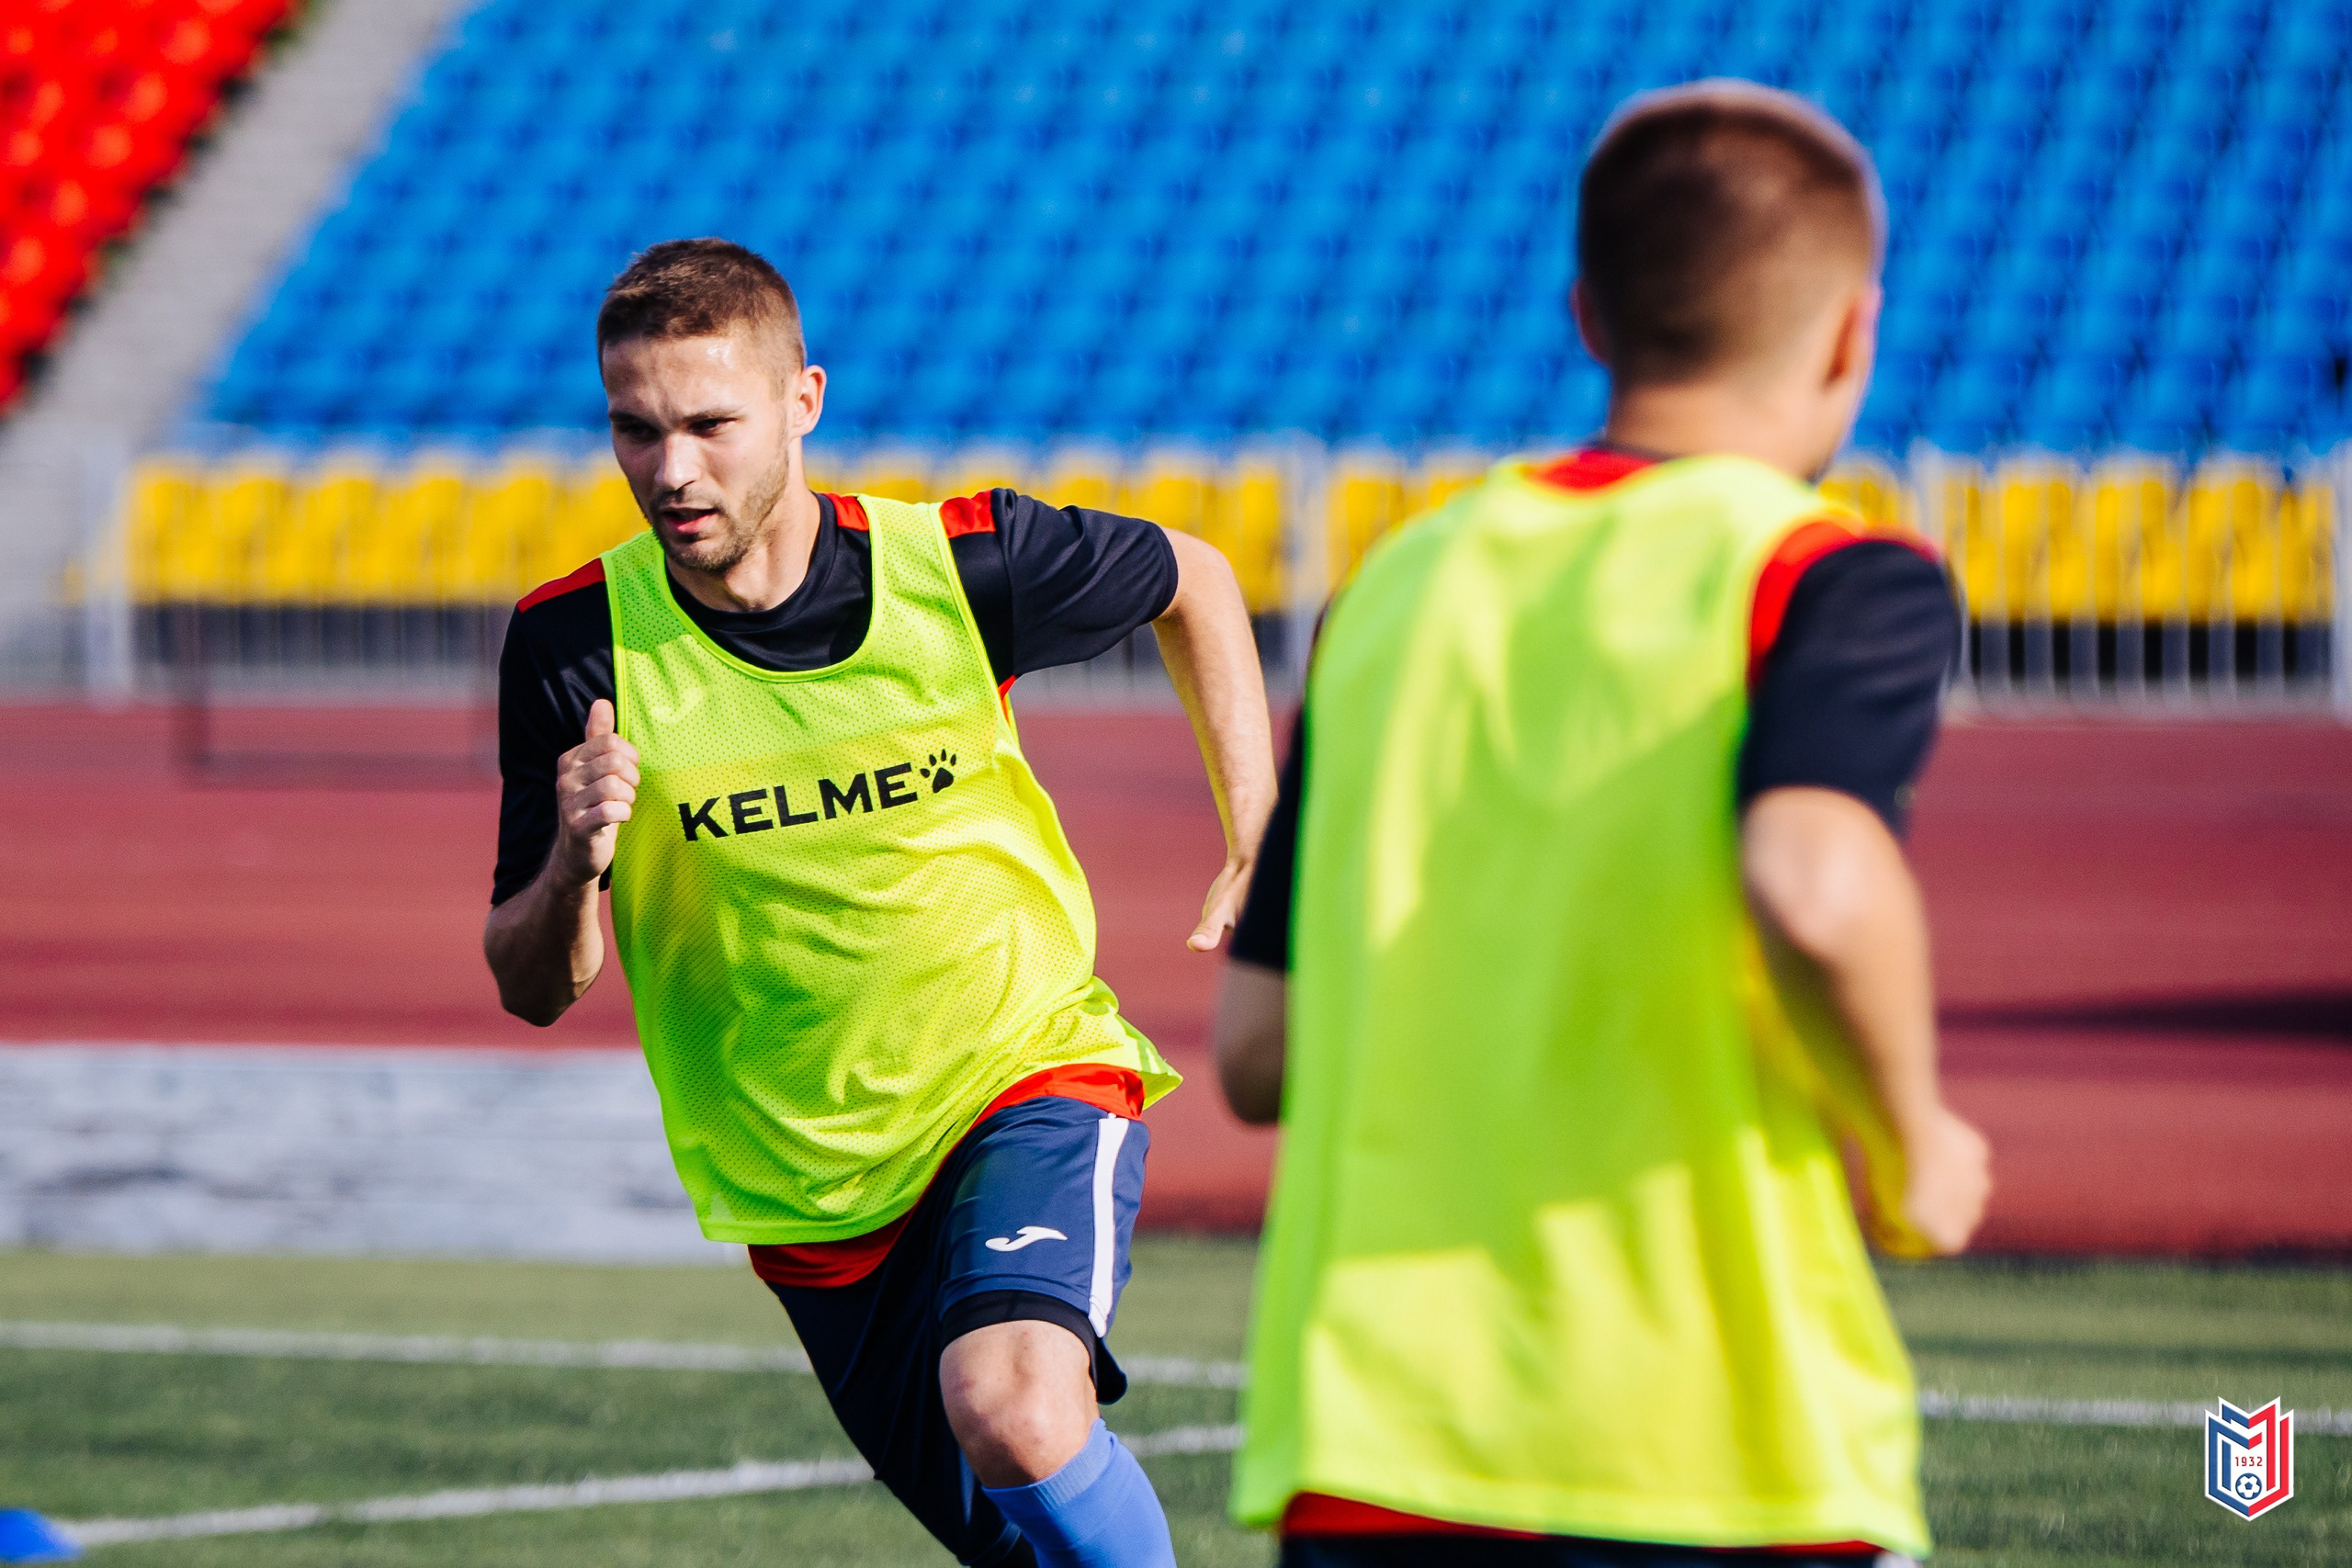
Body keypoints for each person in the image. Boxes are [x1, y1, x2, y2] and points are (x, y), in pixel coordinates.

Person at [1213, 83, 1992, 1567]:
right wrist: (1916, 1141)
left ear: (1586, 315)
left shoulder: (1394, 591)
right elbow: (1818, 885)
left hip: (1379, 1447)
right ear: (1850, 332)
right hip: (1718, 1452)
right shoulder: (1827, 575)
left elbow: (1257, 1052)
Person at [485, 239, 1276, 1568]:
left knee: (1016, 1410)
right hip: (806, 1189)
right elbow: (533, 980)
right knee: (1028, 1542)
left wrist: (1257, 833)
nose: (671, 470)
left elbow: (1192, 576)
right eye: (635, 430)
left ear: (803, 401)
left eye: (709, 424)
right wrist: (575, 862)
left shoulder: (961, 563)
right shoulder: (575, 644)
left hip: (1021, 1074)